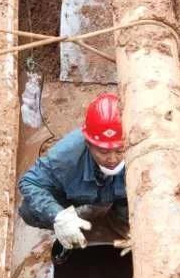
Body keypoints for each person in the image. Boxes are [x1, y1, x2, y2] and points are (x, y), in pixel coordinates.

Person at [17, 92, 128, 250]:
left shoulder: (142, 152)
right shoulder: (65, 157)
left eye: (119, 150)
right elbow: (29, 182)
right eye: (103, 152)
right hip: (76, 193)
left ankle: (119, 223)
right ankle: (69, 229)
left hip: (123, 196)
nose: (112, 159)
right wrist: (58, 216)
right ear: (88, 144)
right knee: (29, 211)